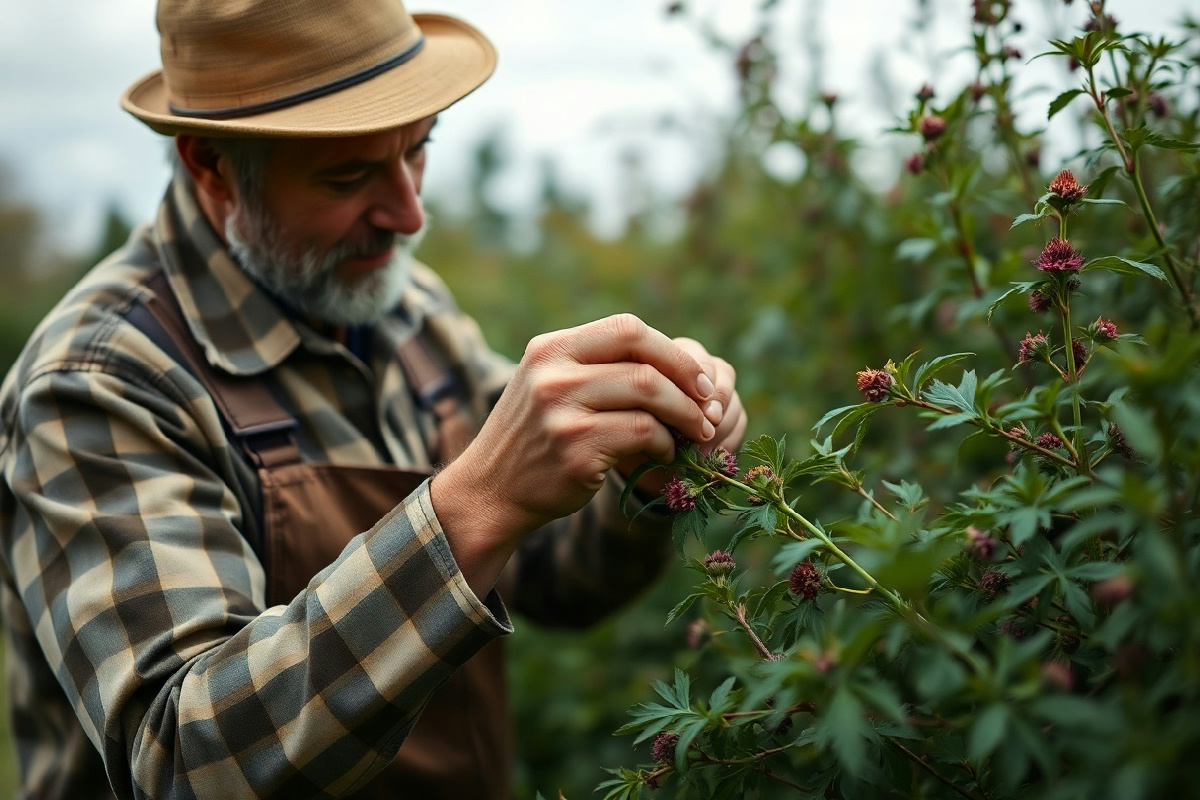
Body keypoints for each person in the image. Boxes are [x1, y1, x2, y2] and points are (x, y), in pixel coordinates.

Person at [0, 0, 746, 798]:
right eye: (347, 175)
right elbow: (184, 762)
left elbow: (555, 579)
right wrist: (477, 504)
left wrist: (638, 467)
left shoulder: (402, 307)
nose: (408, 213)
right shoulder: (99, 384)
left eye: (418, 149)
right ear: (211, 165)